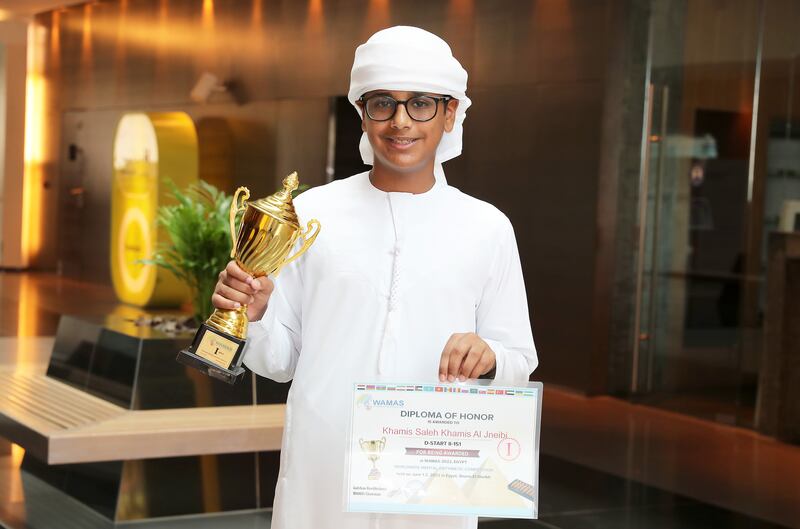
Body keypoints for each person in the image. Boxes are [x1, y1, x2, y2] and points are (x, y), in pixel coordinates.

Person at [212, 26, 538, 529]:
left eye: (422, 103)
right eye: (383, 103)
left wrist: (489, 356)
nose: (401, 122)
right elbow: (281, 361)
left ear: (451, 113)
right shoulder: (311, 213)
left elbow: (519, 357)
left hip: (433, 482)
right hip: (322, 480)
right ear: (361, 113)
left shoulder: (487, 227)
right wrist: (253, 317)